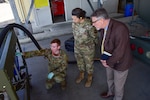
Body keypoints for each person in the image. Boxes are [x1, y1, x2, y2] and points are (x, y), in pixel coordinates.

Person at [91, 8, 133, 100]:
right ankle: (110, 92)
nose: (92, 24)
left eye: (94, 22)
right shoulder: (103, 27)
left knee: (118, 85)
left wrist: (108, 62)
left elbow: (120, 51)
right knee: (110, 79)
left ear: (101, 20)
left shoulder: (120, 29)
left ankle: (118, 98)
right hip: (108, 59)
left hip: (120, 62)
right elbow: (105, 43)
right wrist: (103, 58)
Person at [71, 8, 98, 87]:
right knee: (79, 62)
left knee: (89, 64)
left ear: (81, 18)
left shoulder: (89, 25)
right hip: (77, 47)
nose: (73, 20)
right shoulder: (74, 23)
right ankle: (81, 75)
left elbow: (95, 37)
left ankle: (89, 77)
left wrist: (93, 47)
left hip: (87, 49)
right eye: (72, 18)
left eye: (74, 19)